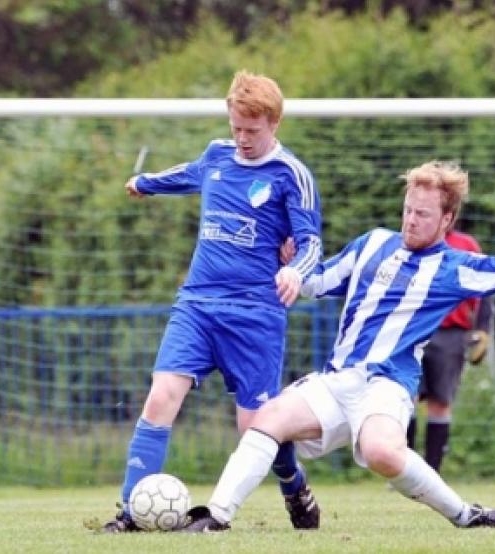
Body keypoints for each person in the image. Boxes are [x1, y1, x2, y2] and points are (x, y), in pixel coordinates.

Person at [179, 161, 495, 532]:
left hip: (387, 386)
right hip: (336, 379)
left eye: (423, 214)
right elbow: (317, 283)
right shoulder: (371, 243)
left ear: (447, 219)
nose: (411, 220)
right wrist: (290, 264)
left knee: (381, 452)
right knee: (263, 421)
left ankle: (467, 515)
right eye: (408, 210)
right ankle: (215, 517)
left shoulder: (455, 268)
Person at [102, 70, 323, 532]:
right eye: (236, 127)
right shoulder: (217, 156)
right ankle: (129, 514)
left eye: (252, 130)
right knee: (162, 395)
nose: (241, 138)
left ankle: (293, 486)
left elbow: (311, 243)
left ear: (274, 124)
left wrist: (294, 271)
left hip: (255, 314)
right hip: (198, 304)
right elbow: (188, 175)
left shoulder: (292, 176)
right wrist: (145, 182)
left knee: (255, 429)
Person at [406, 224, 495, 473]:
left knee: (440, 402)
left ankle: (431, 473)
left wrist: (483, 329)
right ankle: (404, 469)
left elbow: (486, 287)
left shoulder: (467, 246)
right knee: (405, 398)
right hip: (412, 330)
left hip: (451, 335)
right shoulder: (411, 242)